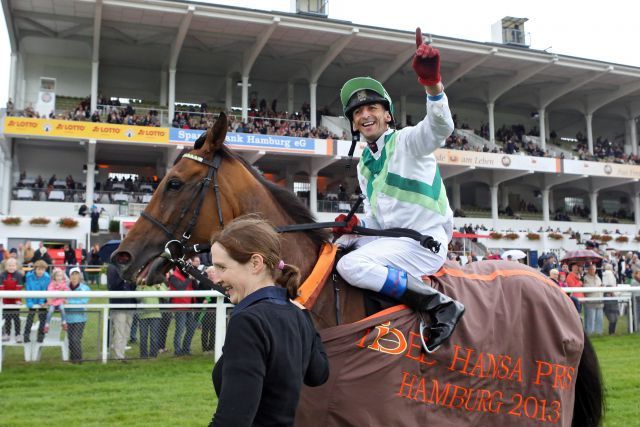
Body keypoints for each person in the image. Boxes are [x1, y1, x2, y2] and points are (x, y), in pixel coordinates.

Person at [333, 28, 464, 353]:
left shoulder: (407, 141)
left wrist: (432, 84)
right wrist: (353, 233)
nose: (365, 115)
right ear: (352, 124)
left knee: (350, 266)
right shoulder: (364, 163)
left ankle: (439, 306)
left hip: (423, 244)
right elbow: (380, 223)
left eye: (372, 108)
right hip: (395, 242)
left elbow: (440, 127)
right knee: (337, 249)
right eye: (358, 113)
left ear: (387, 115)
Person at [208, 217, 329, 426]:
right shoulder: (297, 314)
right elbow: (319, 374)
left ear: (255, 263)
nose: (216, 278)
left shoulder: (248, 322)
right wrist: (305, 316)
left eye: (222, 267)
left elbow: (232, 420)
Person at [107, 263, 136, 361]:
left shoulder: (129, 267)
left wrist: (133, 280)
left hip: (130, 305)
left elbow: (133, 287)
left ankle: (121, 353)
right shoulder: (112, 267)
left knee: (126, 332)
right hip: (118, 305)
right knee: (119, 331)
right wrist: (124, 276)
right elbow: (112, 285)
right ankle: (118, 355)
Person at [137, 279, 168, 358]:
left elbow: (166, 296)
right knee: (143, 336)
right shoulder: (141, 283)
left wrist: (158, 286)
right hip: (143, 314)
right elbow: (137, 298)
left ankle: (153, 355)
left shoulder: (159, 282)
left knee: (154, 336)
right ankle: (143, 356)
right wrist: (142, 287)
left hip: (155, 314)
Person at [168, 267, 196, 356]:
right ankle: (177, 351)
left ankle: (186, 349)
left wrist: (193, 279)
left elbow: (194, 287)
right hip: (179, 307)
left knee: (191, 328)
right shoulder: (173, 276)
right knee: (180, 329)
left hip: (189, 306)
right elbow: (181, 287)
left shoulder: (186, 276)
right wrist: (190, 278)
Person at [66, 267, 91, 363]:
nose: (74, 276)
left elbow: (83, 301)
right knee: (70, 340)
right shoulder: (65, 288)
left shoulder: (85, 288)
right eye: (72, 274)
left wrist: (69, 302)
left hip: (80, 318)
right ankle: (73, 359)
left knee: (75, 338)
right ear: (70, 276)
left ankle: (78, 360)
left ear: (80, 275)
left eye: (76, 274)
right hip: (68, 318)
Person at [23, 260, 50, 343]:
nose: (40, 271)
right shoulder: (29, 276)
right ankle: (26, 335)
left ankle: (41, 336)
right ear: (35, 269)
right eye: (39, 269)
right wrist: (29, 302)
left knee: (42, 318)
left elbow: (45, 290)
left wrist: (41, 301)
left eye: (42, 269)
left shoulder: (47, 277)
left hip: (41, 300)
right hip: (31, 299)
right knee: (30, 318)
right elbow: (28, 289)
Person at [1, 258, 24, 341]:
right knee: (6, 318)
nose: (11, 267)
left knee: (16, 318)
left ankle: (18, 334)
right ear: (6, 266)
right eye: (9, 266)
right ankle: (6, 334)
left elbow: (19, 288)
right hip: (5, 301)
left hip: (15, 301)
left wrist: (17, 300)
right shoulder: (2, 275)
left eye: (13, 265)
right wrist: (2, 300)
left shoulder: (18, 275)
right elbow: (1, 288)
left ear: (16, 266)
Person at [44, 268, 69, 333]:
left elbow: (66, 291)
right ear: (54, 276)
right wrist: (58, 291)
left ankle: (64, 322)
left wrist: (64, 299)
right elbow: (50, 291)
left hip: (60, 300)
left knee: (62, 309)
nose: (59, 277)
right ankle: (47, 324)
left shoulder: (63, 283)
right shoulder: (52, 283)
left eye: (60, 276)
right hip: (53, 301)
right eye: (57, 276)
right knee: (50, 311)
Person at [583, 263, 603, 335]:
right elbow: (586, 289)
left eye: (594, 269)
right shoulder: (585, 278)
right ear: (588, 270)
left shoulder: (598, 277)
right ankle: (589, 333)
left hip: (599, 300)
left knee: (599, 319)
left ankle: (599, 333)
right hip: (591, 301)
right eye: (591, 269)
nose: (593, 270)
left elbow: (600, 286)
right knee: (590, 319)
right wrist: (597, 287)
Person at [602, 263, 619, 335]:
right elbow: (608, 285)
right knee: (613, 315)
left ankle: (612, 332)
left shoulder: (606, 274)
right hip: (610, 295)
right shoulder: (608, 274)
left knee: (613, 315)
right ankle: (611, 332)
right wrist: (611, 292)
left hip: (612, 294)